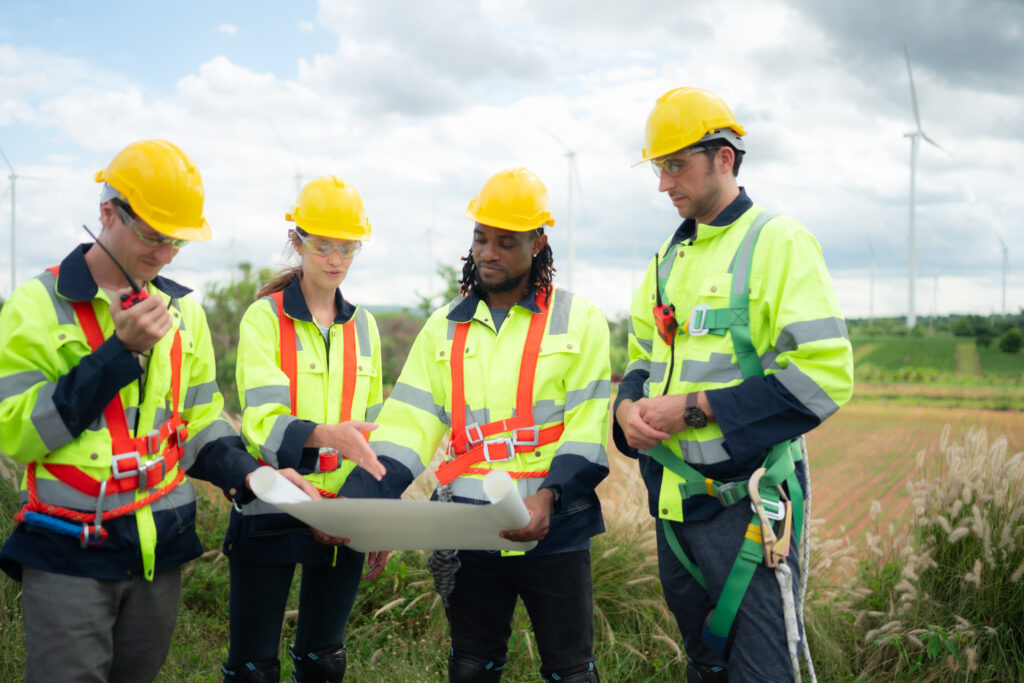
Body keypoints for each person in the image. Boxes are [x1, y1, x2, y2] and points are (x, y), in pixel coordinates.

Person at [0, 139, 321, 683]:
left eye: (176, 240)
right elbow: (19, 435)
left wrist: (257, 475)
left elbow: (202, 424)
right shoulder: (37, 305)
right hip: (71, 551)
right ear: (107, 212)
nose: (165, 254)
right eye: (153, 236)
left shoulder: (182, 311)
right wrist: (117, 355)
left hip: (161, 552)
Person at [613, 87, 854, 682]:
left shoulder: (779, 244)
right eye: (658, 167)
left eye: (676, 165)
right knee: (705, 664)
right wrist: (626, 409)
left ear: (724, 157)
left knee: (761, 671)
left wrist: (692, 410)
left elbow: (824, 378)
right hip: (674, 504)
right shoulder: (669, 258)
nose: (663, 184)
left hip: (750, 507)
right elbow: (644, 356)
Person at [341, 167, 610, 682]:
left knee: (571, 671)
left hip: (557, 527)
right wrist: (361, 504)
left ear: (538, 242)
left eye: (506, 242)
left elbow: (587, 427)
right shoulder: (443, 327)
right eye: (481, 238)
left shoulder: (580, 320)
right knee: (471, 666)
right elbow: (406, 427)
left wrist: (547, 498)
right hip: (468, 526)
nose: (488, 252)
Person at [222, 175, 389, 682]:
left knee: (323, 660)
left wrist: (373, 510)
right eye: (323, 246)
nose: (336, 259)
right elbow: (263, 420)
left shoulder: (366, 327)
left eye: (347, 247)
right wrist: (324, 435)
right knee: (254, 668)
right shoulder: (262, 319)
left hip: (342, 510)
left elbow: (372, 434)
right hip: (271, 501)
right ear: (298, 241)